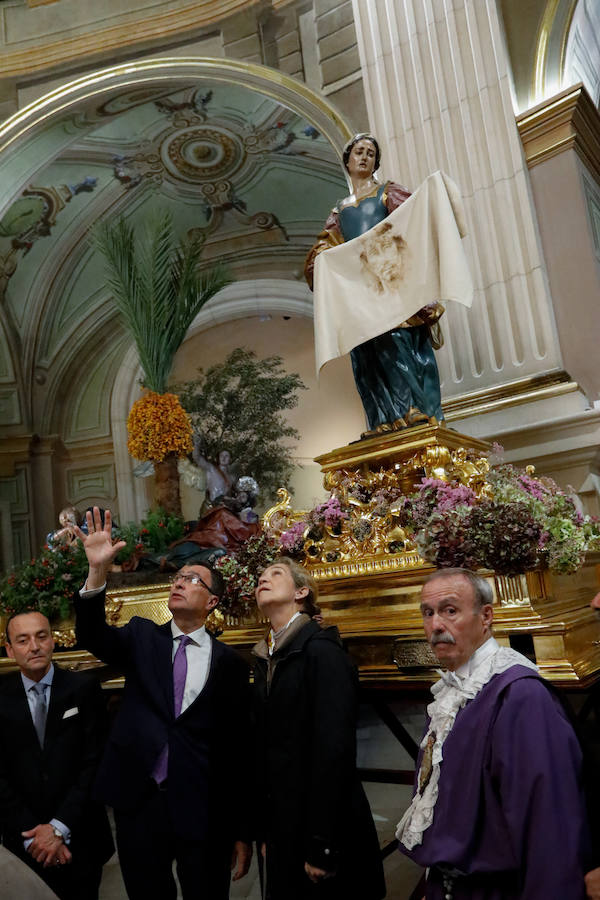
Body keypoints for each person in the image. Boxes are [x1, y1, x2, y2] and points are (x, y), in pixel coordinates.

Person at [73, 507, 252, 900]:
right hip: (139, 803)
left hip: (203, 810)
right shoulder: (141, 637)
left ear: (212, 601)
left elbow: (238, 751)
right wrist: (98, 570)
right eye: (177, 577)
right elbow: (91, 634)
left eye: (191, 578)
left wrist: (242, 830)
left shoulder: (232, 666)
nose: (179, 582)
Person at [397, 568, 589, 899]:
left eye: (450, 610)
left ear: (486, 616)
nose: (435, 625)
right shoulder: (453, 693)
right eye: (428, 613)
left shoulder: (520, 697)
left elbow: (549, 831)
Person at [252, 557, 386, 899]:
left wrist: (321, 845)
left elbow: (334, 751)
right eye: (260, 577)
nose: (263, 579)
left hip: (325, 832)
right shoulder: (267, 656)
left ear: (301, 591)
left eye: (275, 574)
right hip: (286, 828)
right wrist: (269, 832)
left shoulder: (322, 652)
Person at [305, 132, 445, 437]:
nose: (365, 157)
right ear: (348, 160)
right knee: (366, 354)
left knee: (396, 346)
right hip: (360, 296)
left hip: (390, 286)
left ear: (375, 162)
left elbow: (413, 223)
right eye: (359, 151)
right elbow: (323, 248)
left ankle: (413, 412)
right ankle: (382, 420)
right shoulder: (339, 211)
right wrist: (323, 262)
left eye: (370, 153)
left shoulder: (388, 192)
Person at [0, 610, 113, 900]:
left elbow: (95, 762)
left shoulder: (84, 689)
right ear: (10, 650)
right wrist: (33, 834)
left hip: (81, 836)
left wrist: (59, 828)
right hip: (23, 842)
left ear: (54, 640)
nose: (34, 646)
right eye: (23, 640)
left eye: (41, 636)